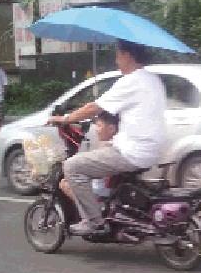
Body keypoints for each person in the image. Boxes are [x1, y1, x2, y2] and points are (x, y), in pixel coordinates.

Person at [48, 39, 167, 235]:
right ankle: (108, 205)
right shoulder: (153, 80)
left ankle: (94, 221)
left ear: (128, 55)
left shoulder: (132, 81)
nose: (116, 61)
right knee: (102, 150)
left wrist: (65, 119)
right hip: (151, 149)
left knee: (72, 166)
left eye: (118, 55)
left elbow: (94, 108)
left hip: (133, 152)